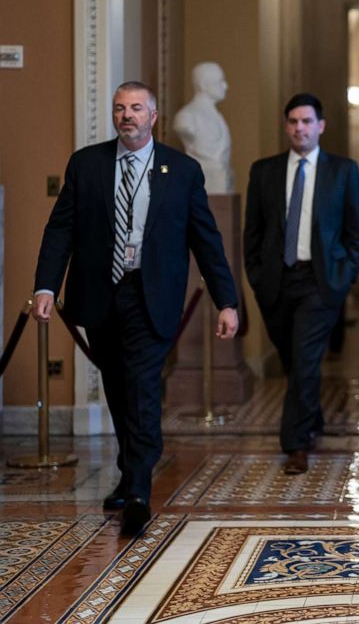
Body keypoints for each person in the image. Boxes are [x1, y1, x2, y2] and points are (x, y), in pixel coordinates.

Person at [33, 81, 239, 535]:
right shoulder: (86, 165)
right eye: (120, 108)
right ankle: (130, 473)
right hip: (101, 294)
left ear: (154, 116)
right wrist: (46, 286)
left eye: (136, 109)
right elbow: (60, 230)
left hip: (153, 295)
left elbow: (206, 240)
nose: (127, 116)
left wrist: (227, 301)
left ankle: (140, 492)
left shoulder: (182, 171)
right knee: (118, 388)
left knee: (144, 388)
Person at [244, 93, 359, 476]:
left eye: (306, 121)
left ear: (321, 126)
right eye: (293, 122)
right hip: (277, 283)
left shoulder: (342, 171)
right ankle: (311, 418)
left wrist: (342, 278)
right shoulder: (264, 171)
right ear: (287, 126)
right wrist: (258, 276)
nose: (300, 128)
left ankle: (296, 444)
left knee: (305, 359)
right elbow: (253, 232)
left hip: (320, 282)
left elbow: (356, 234)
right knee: (292, 360)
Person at [173, 62, 234, 194]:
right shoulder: (186, 117)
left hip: (220, 179)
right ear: (204, 85)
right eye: (220, 81)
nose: (226, 86)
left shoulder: (217, 116)